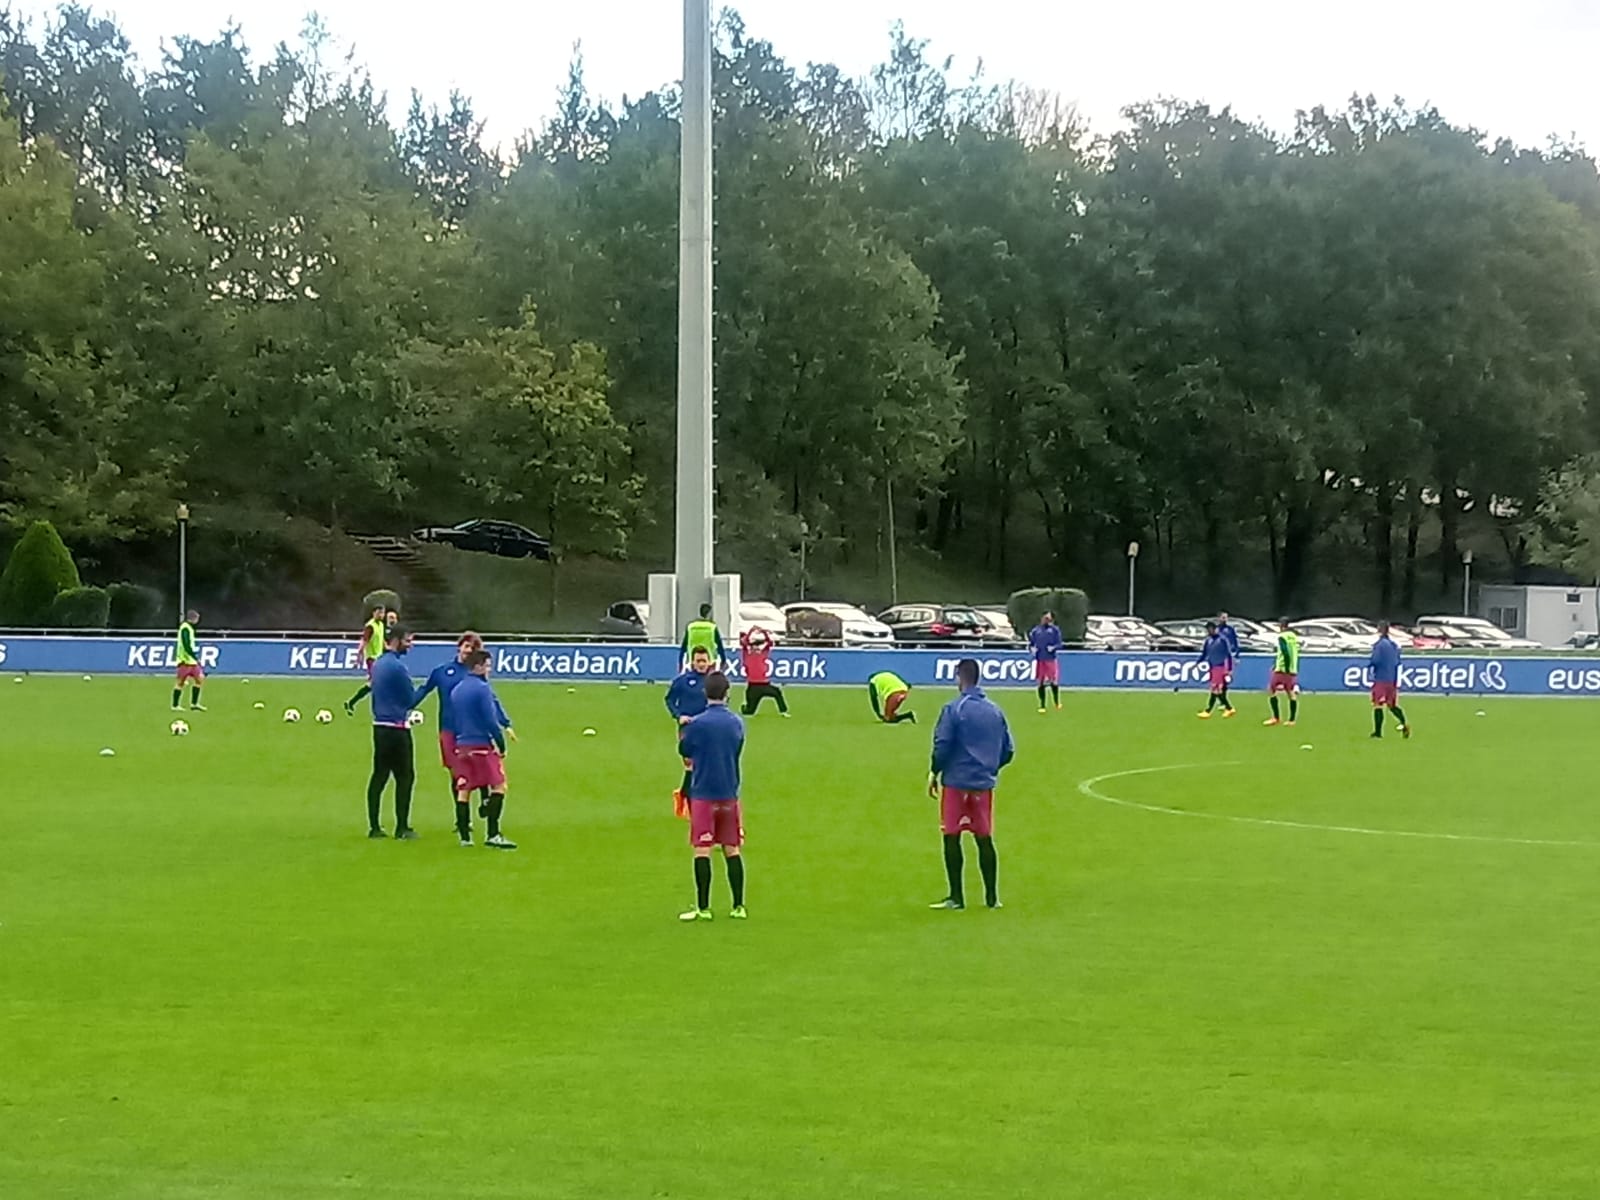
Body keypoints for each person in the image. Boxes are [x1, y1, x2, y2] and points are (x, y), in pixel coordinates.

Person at [928, 658, 1015, 911]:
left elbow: (942, 744)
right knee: (984, 837)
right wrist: (989, 768)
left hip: (956, 783)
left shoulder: (954, 709)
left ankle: (956, 897)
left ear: (959, 677)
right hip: (983, 785)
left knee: (951, 835)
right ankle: (991, 898)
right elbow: (1008, 750)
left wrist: (935, 771)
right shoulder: (995, 710)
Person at [412, 632, 517, 809]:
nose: (468, 650)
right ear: (459, 646)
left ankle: (484, 799)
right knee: (457, 774)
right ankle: (462, 818)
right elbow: (423, 690)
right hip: (448, 728)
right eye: (466, 646)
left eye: (473, 648)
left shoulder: (474, 676)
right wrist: (405, 705)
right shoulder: (442, 671)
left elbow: (491, 700)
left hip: (471, 730)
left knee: (480, 766)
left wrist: (505, 723)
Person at [677, 671, 748, 922]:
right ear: (727, 693)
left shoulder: (697, 724)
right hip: (729, 791)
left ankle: (703, 908)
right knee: (732, 848)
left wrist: (684, 728)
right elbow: (737, 747)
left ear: (705, 693)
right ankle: (738, 906)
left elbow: (684, 750)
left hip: (704, 792)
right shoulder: (737, 722)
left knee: (702, 848)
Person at [452, 649, 518, 849]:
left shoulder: (457, 689)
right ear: (478, 667)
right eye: (488, 666)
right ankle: (493, 833)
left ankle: (465, 837)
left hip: (462, 746)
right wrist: (501, 743)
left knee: (464, 790)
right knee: (499, 786)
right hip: (481, 745)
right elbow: (490, 719)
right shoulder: (482, 689)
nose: (490, 670)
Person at [366, 624, 418, 840]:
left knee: (379, 776)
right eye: (408, 640)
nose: (411, 645)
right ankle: (402, 827)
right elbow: (410, 699)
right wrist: (426, 688)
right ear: (396, 640)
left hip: (379, 728)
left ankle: (375, 827)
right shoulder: (398, 667)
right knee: (405, 777)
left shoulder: (378, 664)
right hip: (397, 729)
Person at [666, 647, 716, 814]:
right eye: (698, 661)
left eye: (704, 661)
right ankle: (688, 802)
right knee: (690, 765)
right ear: (692, 662)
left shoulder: (713, 681)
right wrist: (678, 715)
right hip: (688, 727)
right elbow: (670, 700)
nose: (701, 664)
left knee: (704, 765)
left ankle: (687, 797)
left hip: (708, 728)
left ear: (709, 662)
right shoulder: (682, 680)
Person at [1369, 621, 1411, 740]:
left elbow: (1375, 661)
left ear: (1379, 630)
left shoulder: (1379, 645)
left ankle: (1378, 732)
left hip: (1381, 678)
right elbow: (1397, 662)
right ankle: (1404, 723)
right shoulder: (1394, 645)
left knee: (1378, 705)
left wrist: (1371, 665)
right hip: (1392, 679)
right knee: (1392, 705)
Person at [344, 605, 389, 716]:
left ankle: (351, 702)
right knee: (377, 683)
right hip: (372, 659)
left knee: (374, 684)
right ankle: (380, 709)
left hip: (380, 658)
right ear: (374, 613)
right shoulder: (370, 626)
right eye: (379, 612)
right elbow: (364, 641)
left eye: (382, 613)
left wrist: (388, 648)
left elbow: (381, 639)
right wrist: (358, 657)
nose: (381, 615)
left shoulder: (381, 625)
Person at [739, 626, 789, 716]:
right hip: (752, 686)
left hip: (764, 684)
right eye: (753, 646)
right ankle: (745, 708)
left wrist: (763, 632)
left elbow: (769, 642)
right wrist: (751, 631)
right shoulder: (747, 655)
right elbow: (744, 642)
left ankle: (783, 711)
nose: (755, 648)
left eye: (756, 646)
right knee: (749, 712)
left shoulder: (763, 654)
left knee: (777, 692)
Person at [1196, 622, 1236, 718]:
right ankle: (1228, 708)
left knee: (1216, 690)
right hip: (1213, 667)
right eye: (1208, 629)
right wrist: (1197, 662)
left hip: (1221, 667)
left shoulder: (1222, 640)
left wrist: (1230, 668)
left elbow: (1229, 655)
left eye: (1211, 629)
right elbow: (1204, 653)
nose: (1209, 631)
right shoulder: (1208, 641)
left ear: (1215, 629)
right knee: (1216, 690)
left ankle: (1211, 710)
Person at [1264, 620, 1300, 726]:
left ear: (1281, 626)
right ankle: (1292, 720)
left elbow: (1285, 651)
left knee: (1271, 689)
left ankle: (1276, 718)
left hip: (1283, 668)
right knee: (1290, 692)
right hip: (1292, 668)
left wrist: (1284, 667)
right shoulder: (1293, 636)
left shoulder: (1282, 636)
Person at [1027, 612, 1064, 713]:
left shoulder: (1055, 630)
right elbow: (1030, 644)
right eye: (1045, 617)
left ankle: (1057, 703)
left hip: (1050, 659)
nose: (1046, 619)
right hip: (1040, 660)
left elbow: (1060, 644)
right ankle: (1042, 705)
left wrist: (1053, 647)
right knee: (1041, 682)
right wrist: (1032, 649)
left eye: (1048, 618)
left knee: (1053, 681)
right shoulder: (1036, 631)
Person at [172, 609, 206, 712]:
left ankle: (194, 704)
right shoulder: (185, 628)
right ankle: (175, 705)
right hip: (185, 660)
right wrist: (193, 655)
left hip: (191, 660)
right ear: (193, 618)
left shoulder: (189, 628)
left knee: (200, 679)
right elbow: (186, 644)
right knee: (180, 682)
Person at [680, 603, 728, 668]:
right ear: (708, 614)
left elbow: (684, 645)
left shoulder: (691, 627)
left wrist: (680, 661)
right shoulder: (712, 627)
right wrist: (723, 659)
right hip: (709, 660)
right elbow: (719, 645)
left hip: (694, 660)